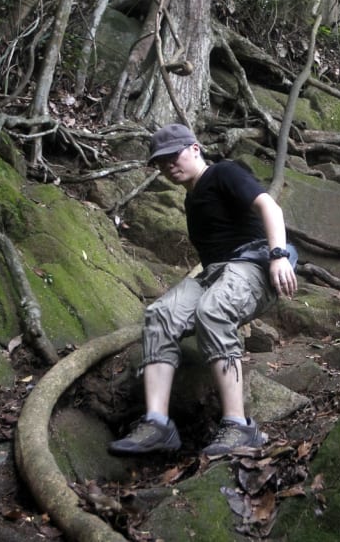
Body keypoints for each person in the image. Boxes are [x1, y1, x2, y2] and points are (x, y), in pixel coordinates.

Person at [109, 123, 298, 457]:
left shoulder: (224, 173)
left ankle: (239, 426)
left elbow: (270, 206)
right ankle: (156, 423)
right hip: (216, 272)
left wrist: (279, 255)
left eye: (174, 155)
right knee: (160, 315)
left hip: (254, 263)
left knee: (213, 309)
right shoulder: (192, 199)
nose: (168, 165)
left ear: (195, 149)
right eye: (160, 161)